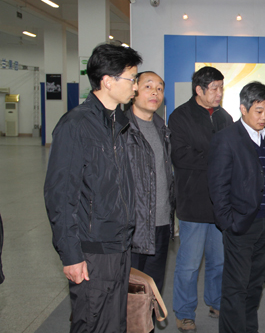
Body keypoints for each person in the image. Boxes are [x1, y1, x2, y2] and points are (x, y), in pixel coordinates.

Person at [44, 43, 141, 333]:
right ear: (108, 81)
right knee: (92, 322)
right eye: (132, 79)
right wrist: (71, 255)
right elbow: (60, 196)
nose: (135, 87)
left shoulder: (118, 123)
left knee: (114, 324)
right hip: (92, 249)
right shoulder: (76, 125)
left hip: (119, 244)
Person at [208, 82, 265, 333]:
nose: (264, 117)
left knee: (254, 285)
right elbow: (217, 186)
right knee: (236, 287)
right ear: (243, 108)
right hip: (240, 224)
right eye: (259, 111)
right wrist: (228, 223)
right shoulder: (226, 139)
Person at [169, 67, 233, 332]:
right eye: (214, 88)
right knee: (189, 264)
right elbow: (180, 156)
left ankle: (216, 302)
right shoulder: (180, 116)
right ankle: (184, 312)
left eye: (221, 87)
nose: (219, 93)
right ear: (199, 89)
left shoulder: (225, 117)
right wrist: (218, 159)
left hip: (220, 203)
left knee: (219, 261)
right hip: (193, 201)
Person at [125, 71, 175, 294]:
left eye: (160, 88)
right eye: (148, 86)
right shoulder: (121, 129)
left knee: (152, 291)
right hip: (133, 226)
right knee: (130, 293)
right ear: (134, 89)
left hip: (161, 224)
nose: (155, 92)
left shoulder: (162, 129)